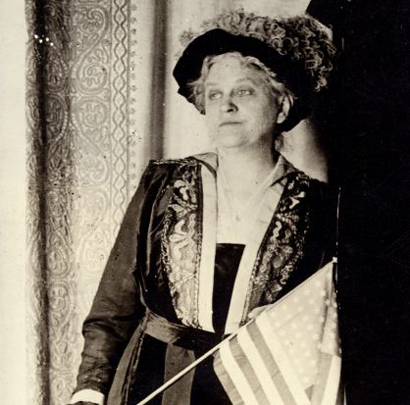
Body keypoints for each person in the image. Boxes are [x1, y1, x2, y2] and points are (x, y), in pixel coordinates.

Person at [69, 10, 336, 405]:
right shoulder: (162, 184)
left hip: (254, 389)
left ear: (282, 107)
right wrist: (89, 390)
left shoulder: (319, 204)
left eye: (243, 92)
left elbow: (328, 321)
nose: (225, 106)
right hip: (155, 381)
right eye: (214, 94)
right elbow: (112, 307)